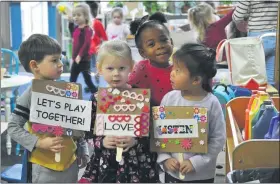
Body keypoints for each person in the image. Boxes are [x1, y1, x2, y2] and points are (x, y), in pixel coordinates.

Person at [7, 34, 89, 183]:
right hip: (43, 167)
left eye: (60, 59)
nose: (60, 64)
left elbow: (77, 125)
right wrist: (38, 142)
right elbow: (13, 126)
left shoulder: (68, 90)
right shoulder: (31, 94)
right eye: (54, 60)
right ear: (35, 65)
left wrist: (83, 149)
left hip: (69, 163)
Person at [79, 40, 159, 183]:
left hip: (137, 164)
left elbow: (152, 131)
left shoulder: (140, 98)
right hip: (107, 163)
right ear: (99, 68)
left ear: (131, 67)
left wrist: (135, 140)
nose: (116, 74)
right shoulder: (96, 99)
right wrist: (102, 142)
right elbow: (88, 132)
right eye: (110, 68)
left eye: (122, 68)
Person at [157, 43, 226, 183]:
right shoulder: (169, 99)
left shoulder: (211, 103)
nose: (172, 73)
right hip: (173, 172)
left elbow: (218, 139)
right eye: (173, 68)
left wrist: (197, 162)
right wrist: (165, 158)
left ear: (196, 80)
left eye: (178, 70)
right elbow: (159, 132)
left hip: (201, 175)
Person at [128, 12, 174, 107]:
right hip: (148, 119)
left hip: (177, 119)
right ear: (143, 53)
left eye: (163, 40)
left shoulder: (181, 67)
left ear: (171, 42)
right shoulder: (141, 69)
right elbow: (128, 93)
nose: (160, 46)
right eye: (151, 44)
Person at [232, 1, 278, 85]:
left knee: (253, 77)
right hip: (275, 37)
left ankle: (256, 97)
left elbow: (237, 16)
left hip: (256, 39)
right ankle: (270, 97)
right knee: (271, 78)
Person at [70, 3, 98, 93]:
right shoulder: (76, 28)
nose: (76, 17)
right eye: (74, 15)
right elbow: (73, 36)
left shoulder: (88, 29)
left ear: (85, 16)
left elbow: (86, 44)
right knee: (72, 79)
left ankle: (96, 93)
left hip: (84, 60)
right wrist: (70, 22)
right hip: (75, 59)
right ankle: (70, 96)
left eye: (78, 15)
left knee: (87, 80)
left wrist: (80, 55)